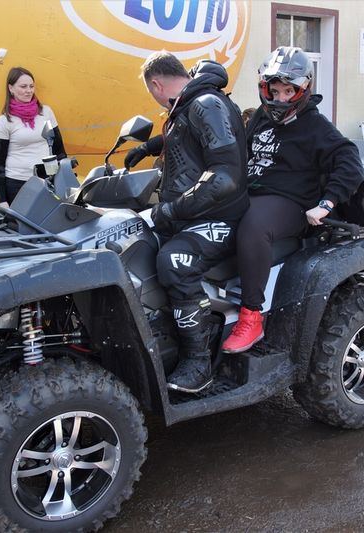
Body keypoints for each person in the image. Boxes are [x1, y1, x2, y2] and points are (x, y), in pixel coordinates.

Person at [221, 47, 364, 354]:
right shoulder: (260, 117)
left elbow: (349, 161)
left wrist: (327, 203)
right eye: (274, 91)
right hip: (252, 192)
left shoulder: (315, 125)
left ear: (303, 89)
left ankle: (251, 316)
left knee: (253, 226)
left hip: (291, 201)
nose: (280, 99)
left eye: (288, 91)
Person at [125, 51, 249, 393]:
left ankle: (199, 362)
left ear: (156, 84)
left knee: (174, 262)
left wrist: (170, 211)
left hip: (220, 217)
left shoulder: (206, 104)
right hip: (193, 214)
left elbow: (225, 178)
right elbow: (187, 139)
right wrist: (148, 147)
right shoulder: (189, 104)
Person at [0, 66, 67, 204]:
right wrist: (2, 200)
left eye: (31, 86)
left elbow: (58, 148)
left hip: (47, 181)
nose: (29, 91)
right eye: (23, 86)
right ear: (11, 88)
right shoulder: (4, 121)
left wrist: (64, 178)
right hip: (17, 183)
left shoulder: (46, 113)